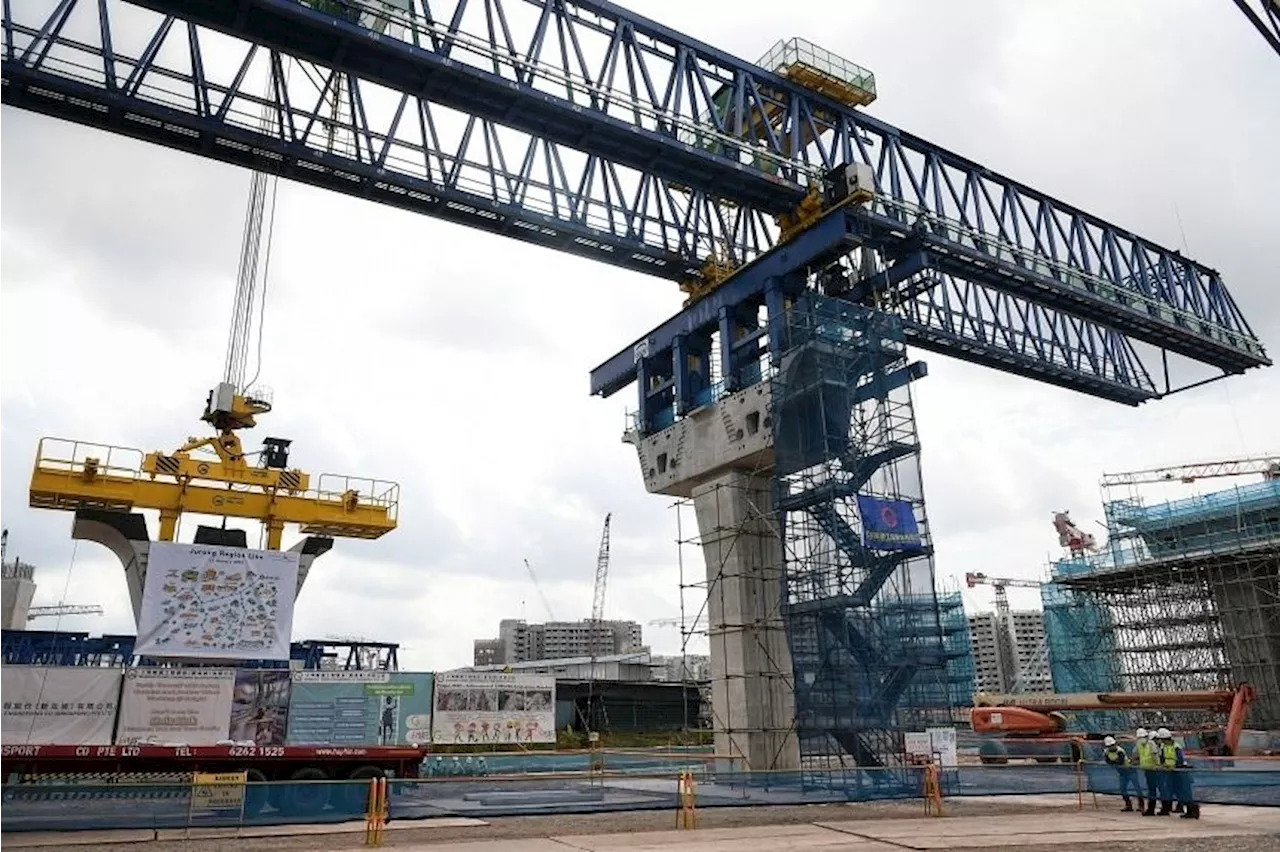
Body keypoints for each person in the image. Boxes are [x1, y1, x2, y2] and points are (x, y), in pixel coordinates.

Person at [1155, 727, 1199, 820]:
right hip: (1170, 772)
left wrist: (1173, 767)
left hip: (1178, 772)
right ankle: (1172, 808)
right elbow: (1163, 759)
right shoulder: (1164, 747)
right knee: (1173, 791)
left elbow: (1180, 760)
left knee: (1184, 791)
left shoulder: (1176, 747)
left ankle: (1191, 810)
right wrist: (1163, 766)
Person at [1103, 735, 1139, 811]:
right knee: (1122, 789)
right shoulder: (1106, 752)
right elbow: (1108, 761)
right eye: (1110, 746)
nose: (1112, 747)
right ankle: (1128, 805)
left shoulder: (1120, 751)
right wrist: (1113, 762)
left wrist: (1113, 762)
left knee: (1137, 788)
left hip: (1130, 770)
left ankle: (1141, 805)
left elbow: (1120, 761)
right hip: (1122, 773)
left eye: (1113, 745)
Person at [1135, 727, 1160, 816]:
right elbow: (1136, 755)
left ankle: (1152, 809)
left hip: (1154, 769)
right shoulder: (1140, 744)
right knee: (1152, 789)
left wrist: (1157, 765)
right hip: (1148, 770)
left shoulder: (1150, 743)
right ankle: (1151, 808)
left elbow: (1154, 755)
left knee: (1153, 789)